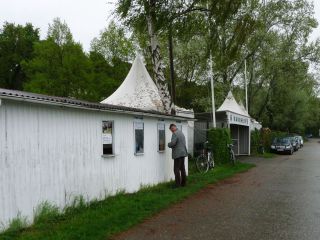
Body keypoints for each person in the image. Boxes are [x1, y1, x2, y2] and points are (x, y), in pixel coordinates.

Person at [168, 123, 188, 188]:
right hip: (183, 153)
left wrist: (168, 144)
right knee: (182, 168)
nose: (171, 131)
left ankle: (177, 185)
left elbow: (173, 143)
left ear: (173, 128)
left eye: (171, 130)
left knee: (176, 169)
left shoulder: (175, 133)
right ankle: (184, 183)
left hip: (178, 154)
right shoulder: (181, 133)